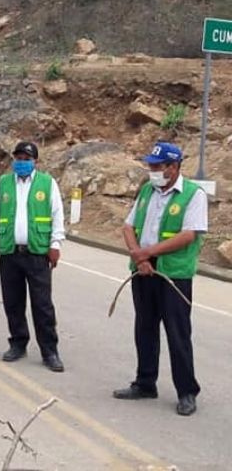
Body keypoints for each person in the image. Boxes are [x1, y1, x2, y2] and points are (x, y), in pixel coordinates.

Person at [115, 142, 207, 416]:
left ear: (174, 167)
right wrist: (139, 257)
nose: (152, 171)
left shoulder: (193, 194)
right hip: (143, 270)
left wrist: (149, 253)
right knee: (144, 328)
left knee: (177, 333)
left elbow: (188, 235)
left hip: (172, 274)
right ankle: (145, 383)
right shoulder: (146, 191)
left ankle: (187, 391)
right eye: (150, 166)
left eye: (157, 166)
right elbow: (128, 226)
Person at [0, 141, 66, 372]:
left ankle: (50, 350)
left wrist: (55, 243)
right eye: (18, 158)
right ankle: (18, 343)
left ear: (35, 162)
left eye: (26, 159)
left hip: (37, 253)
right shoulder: (3, 184)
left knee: (42, 305)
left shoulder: (47, 184)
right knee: (13, 302)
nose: (21, 162)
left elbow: (56, 214)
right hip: (10, 252)